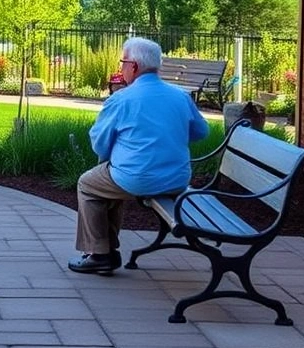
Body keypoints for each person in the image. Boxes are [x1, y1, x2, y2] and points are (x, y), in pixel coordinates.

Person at [68, 37, 209, 274]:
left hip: (138, 179)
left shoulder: (121, 99)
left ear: (133, 66)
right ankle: (106, 250)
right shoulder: (181, 96)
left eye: (122, 62)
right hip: (176, 180)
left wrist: (115, 155)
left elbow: (100, 144)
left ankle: (100, 253)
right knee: (110, 180)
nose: (120, 67)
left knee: (89, 184)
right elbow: (200, 132)